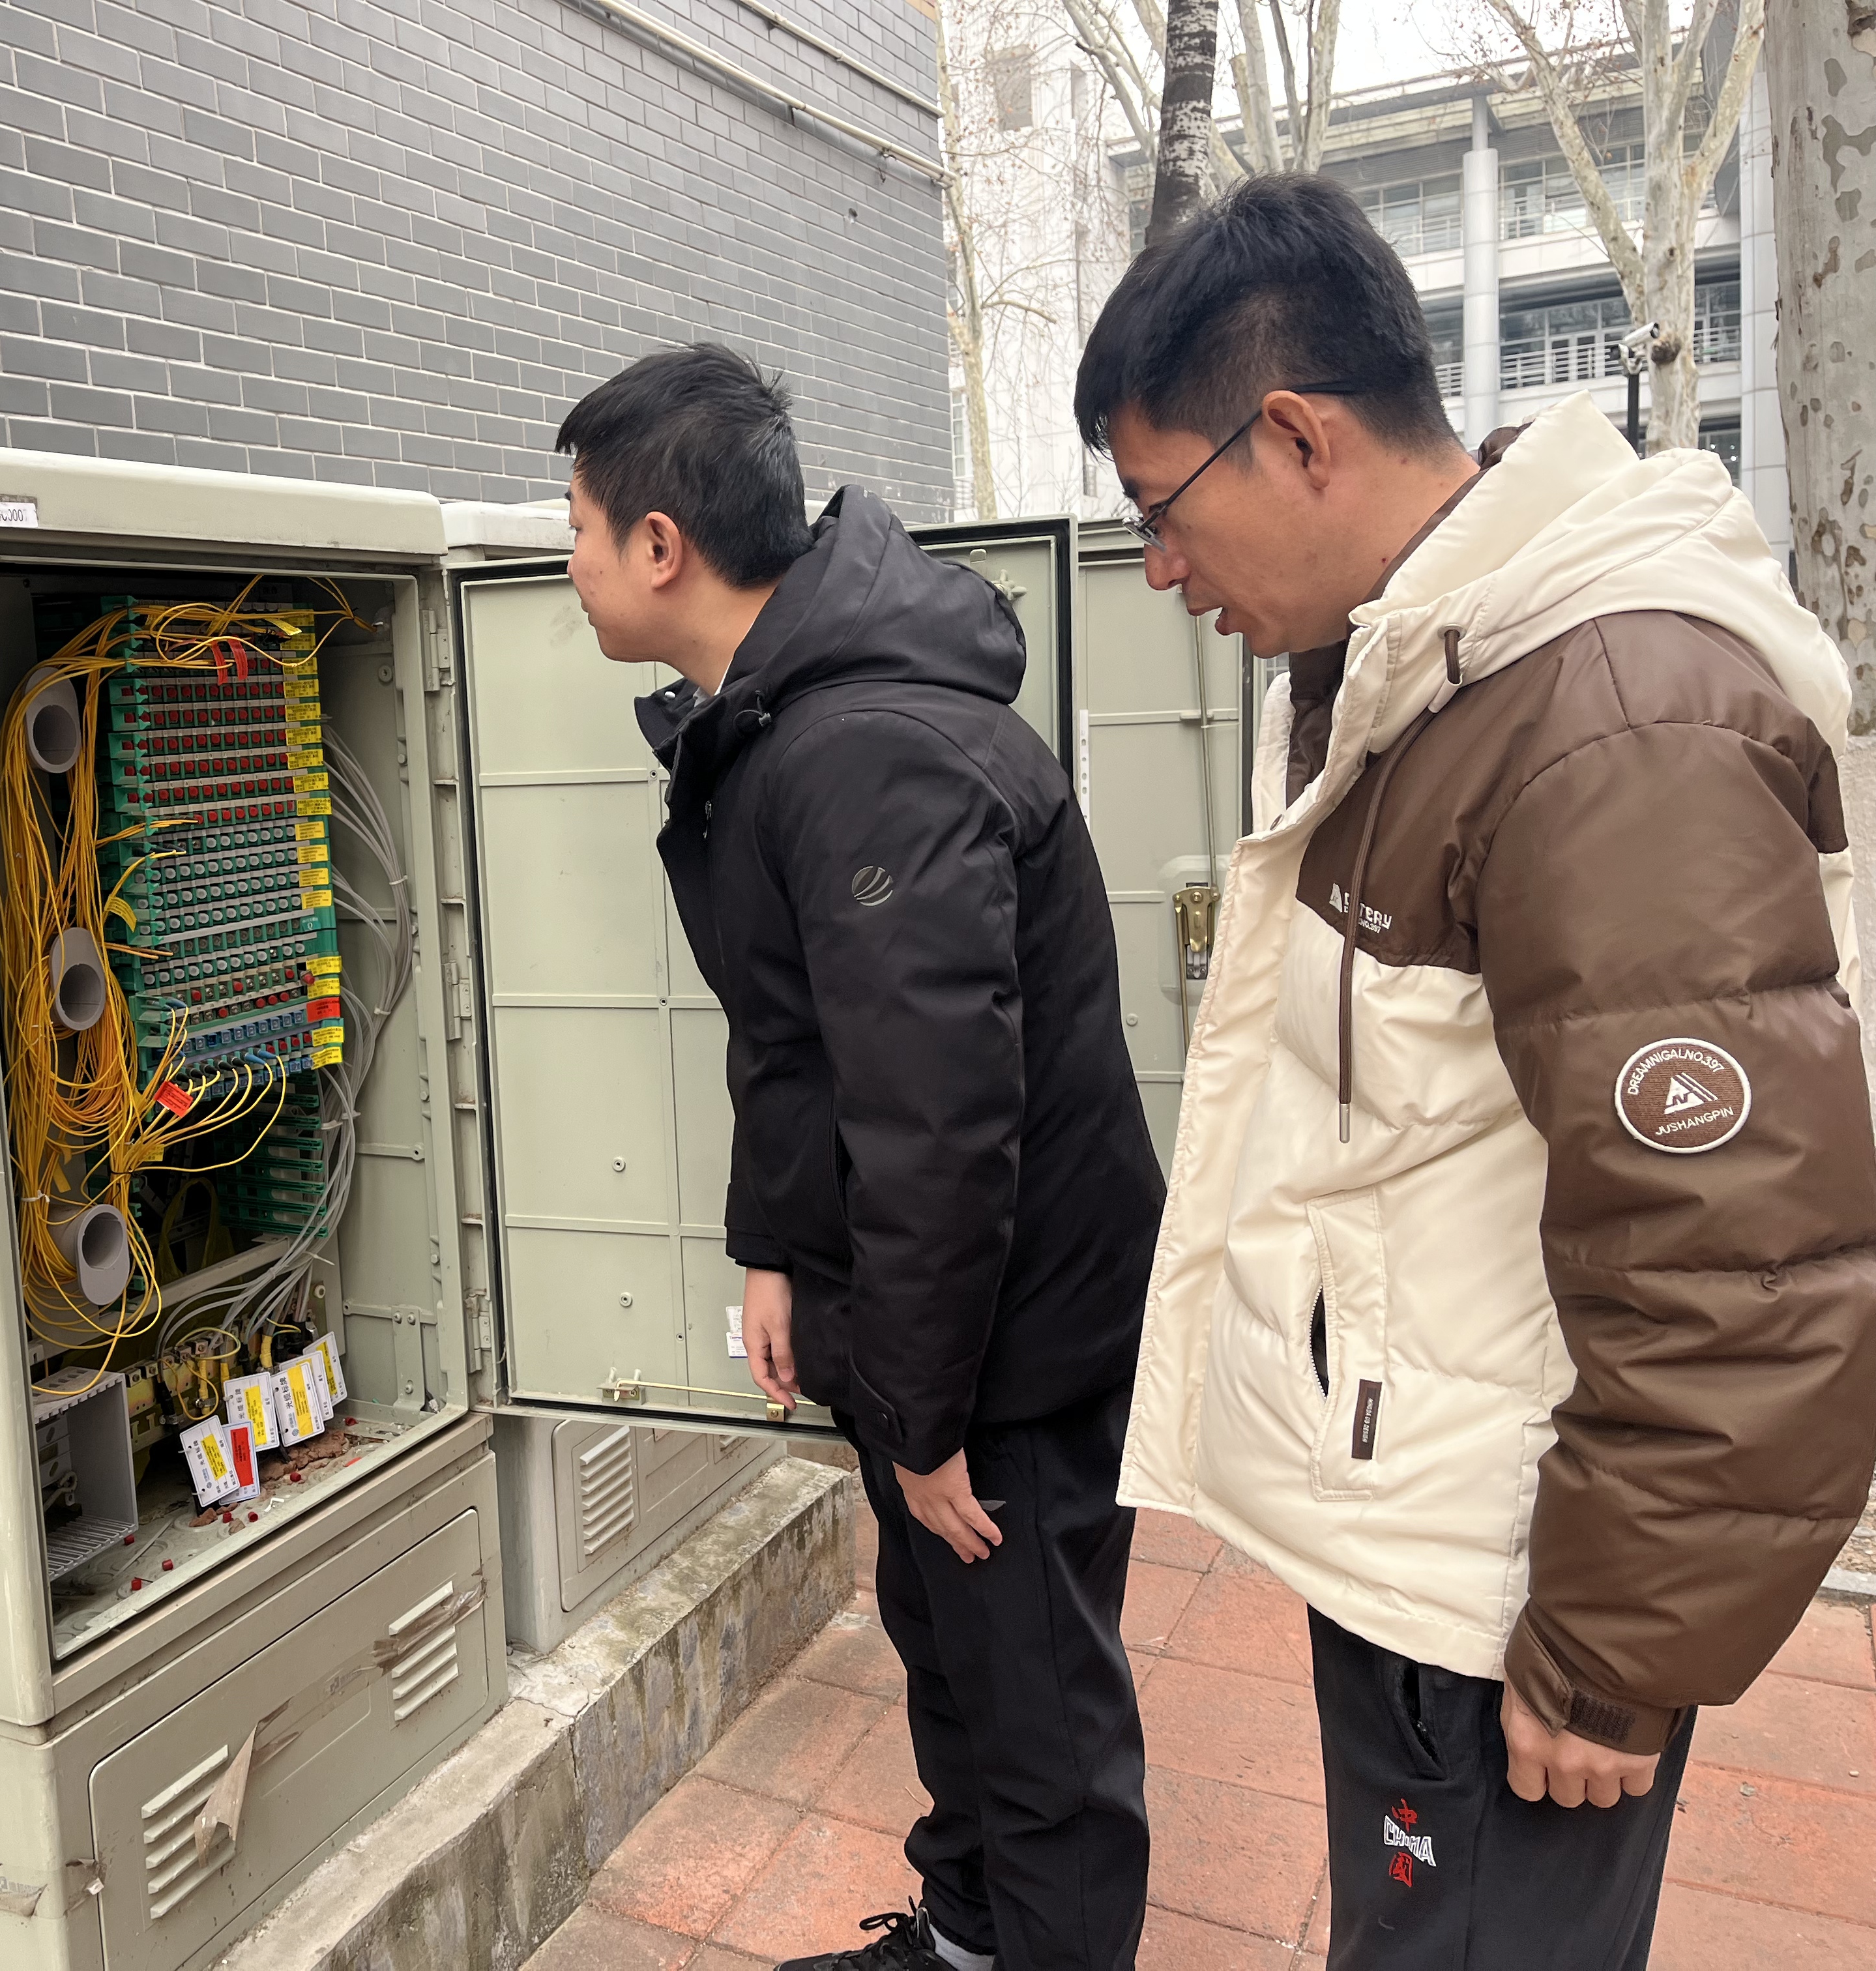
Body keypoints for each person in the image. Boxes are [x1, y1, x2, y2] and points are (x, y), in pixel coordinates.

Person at [1080, 175, 1876, 1970]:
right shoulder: (1426, 667)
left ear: (1297, 436)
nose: (1159, 570)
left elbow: (1741, 1257)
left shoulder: (1608, 722)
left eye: (1161, 508)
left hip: (1516, 1602)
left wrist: (1609, 1658)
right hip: (1432, 1534)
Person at [555, 344, 1165, 1971]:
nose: (570, 566)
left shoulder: (863, 753)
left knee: (1038, 1732)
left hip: (1008, 1348)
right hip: (943, 1334)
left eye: (580, 530)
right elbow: (798, 1041)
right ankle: (964, 1945)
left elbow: (937, 1128)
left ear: (662, 546)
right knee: (957, 1669)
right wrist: (773, 1254)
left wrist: (927, 1418)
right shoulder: (782, 722)